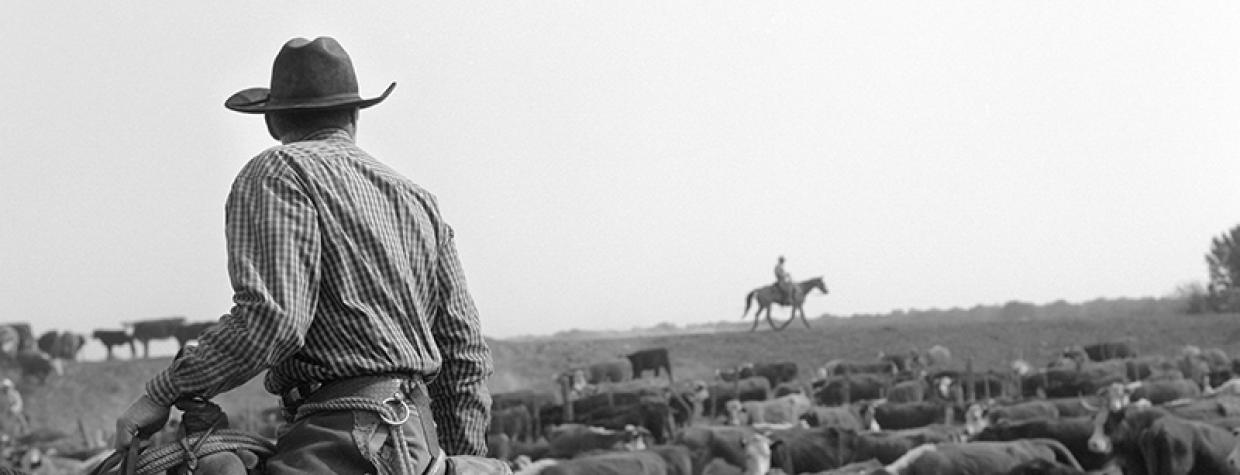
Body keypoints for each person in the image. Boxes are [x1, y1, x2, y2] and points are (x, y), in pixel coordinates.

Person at [113, 37, 499, 474]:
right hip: (418, 439)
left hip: (336, 441)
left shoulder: (279, 171)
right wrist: (458, 459)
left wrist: (161, 393)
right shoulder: (418, 200)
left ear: (273, 123)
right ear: (354, 116)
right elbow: (465, 356)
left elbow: (272, 321)